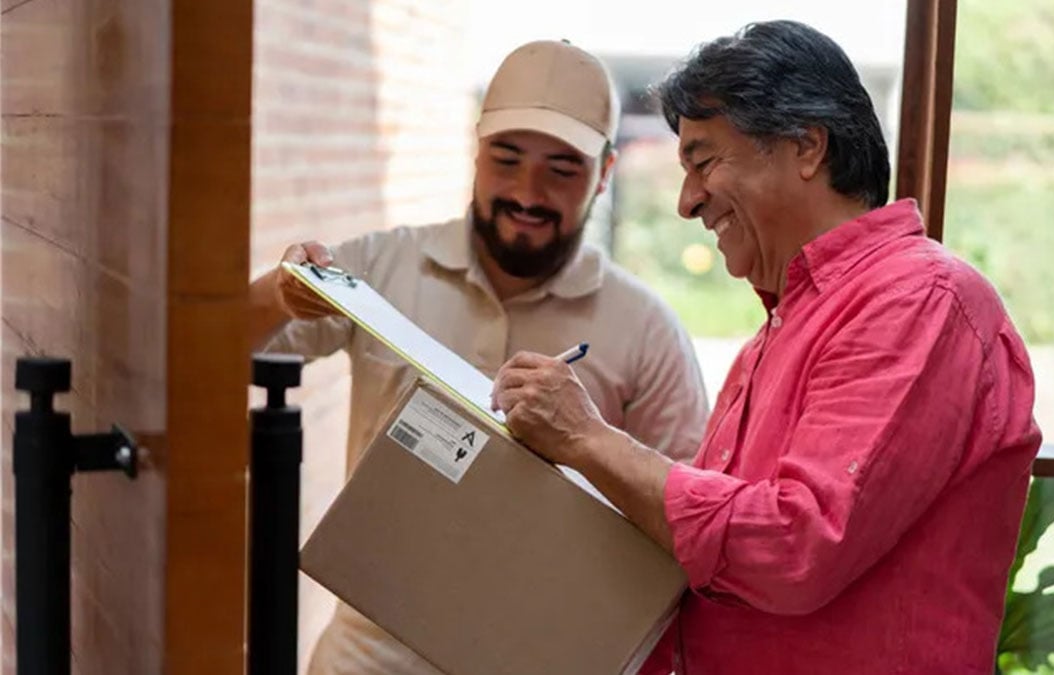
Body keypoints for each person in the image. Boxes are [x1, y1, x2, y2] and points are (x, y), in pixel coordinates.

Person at [492, 20, 1042, 674]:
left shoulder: (916, 299)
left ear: (807, 147)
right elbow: (709, 558)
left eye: (703, 161)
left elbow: (795, 544)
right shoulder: (783, 327)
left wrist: (585, 436)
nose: (687, 201)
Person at [249, 39, 710, 675]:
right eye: (507, 157)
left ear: (605, 173)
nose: (527, 192)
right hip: (368, 660)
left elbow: (689, 520)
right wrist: (279, 291)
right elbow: (215, 349)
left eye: (563, 168)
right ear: (475, 149)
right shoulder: (382, 267)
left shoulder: (646, 329)